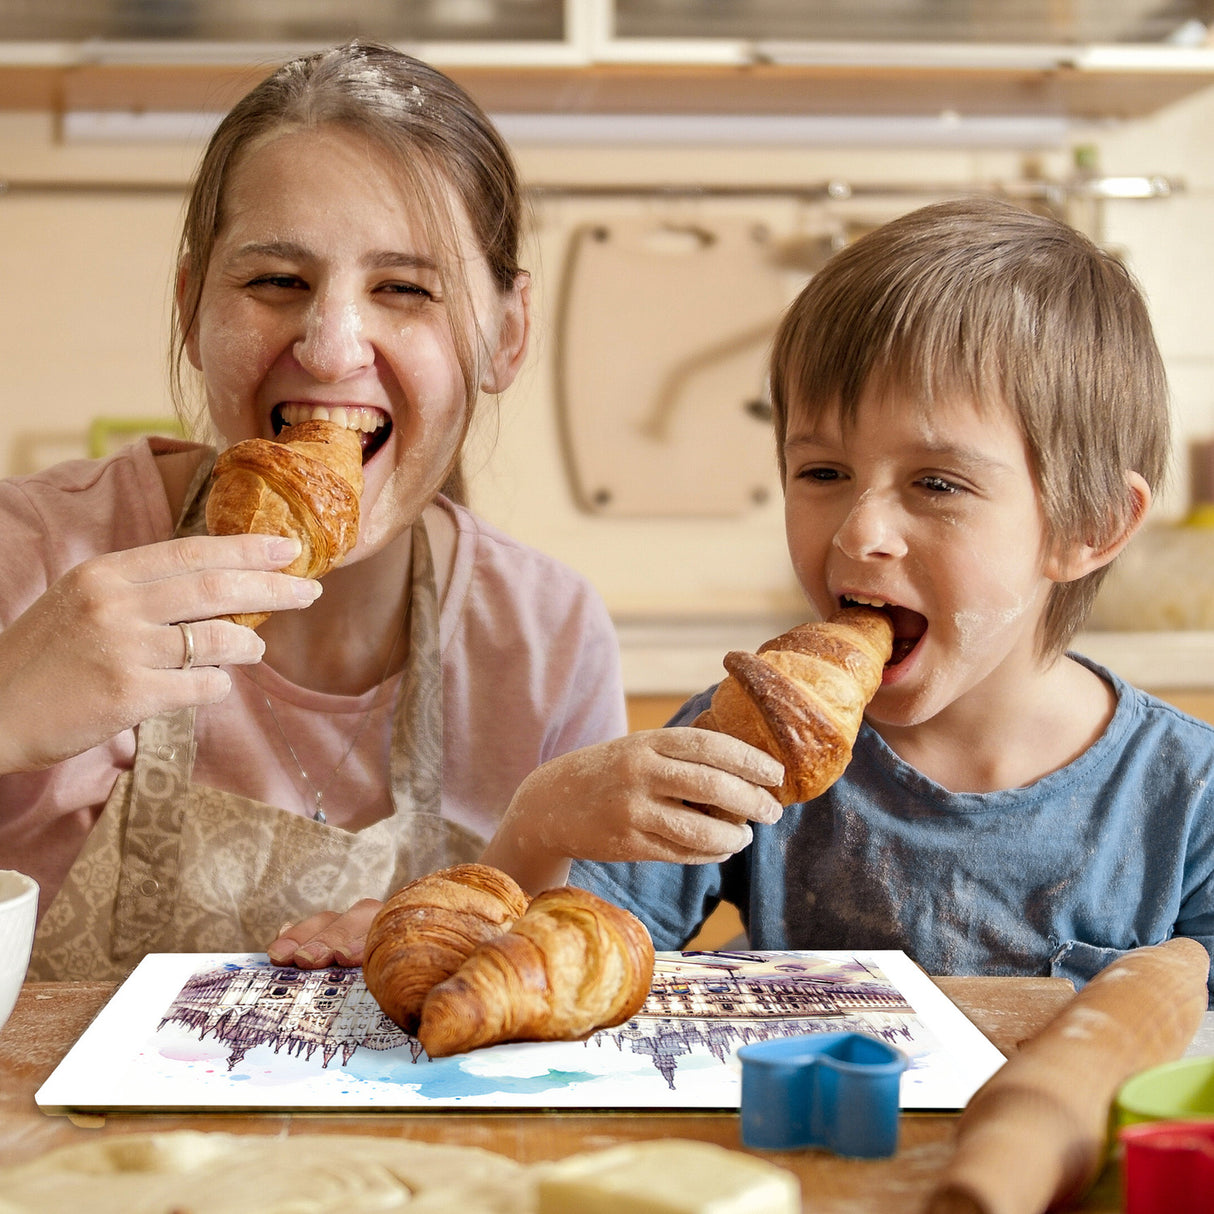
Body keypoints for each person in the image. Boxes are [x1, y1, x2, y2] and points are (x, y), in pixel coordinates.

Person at [2, 40, 633, 981]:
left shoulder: (544, 639)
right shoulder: (35, 557)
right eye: (275, 282)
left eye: (405, 289)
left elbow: (581, 987)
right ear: (190, 307)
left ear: (506, 335)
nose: (334, 347)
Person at [491, 196, 1214, 998]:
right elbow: (551, 971)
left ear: (1091, 524)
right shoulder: (747, 739)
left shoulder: (1188, 800)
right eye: (824, 473)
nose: (859, 530)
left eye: (937, 483)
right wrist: (540, 820)